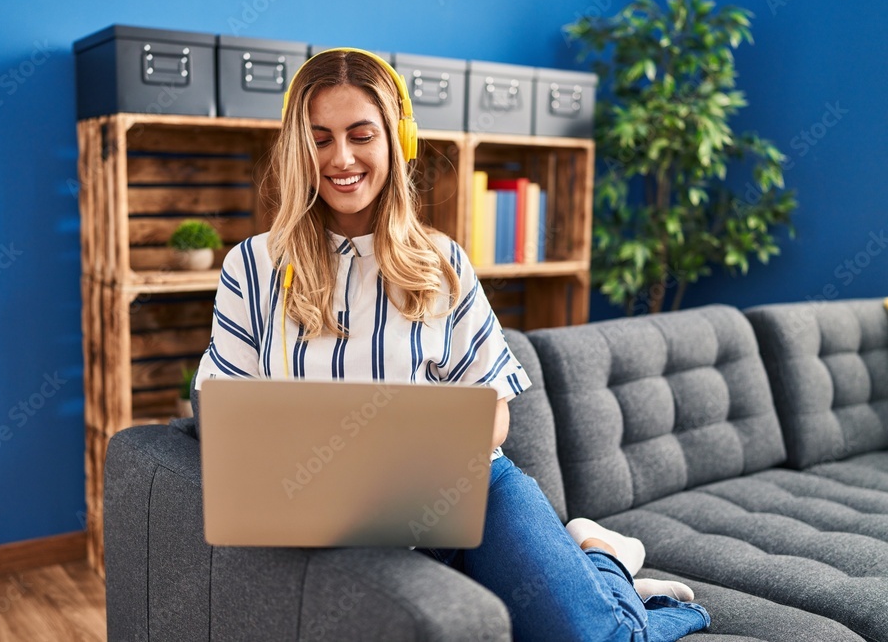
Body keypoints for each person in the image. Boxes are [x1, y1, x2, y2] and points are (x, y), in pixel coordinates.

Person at [194, 48, 710, 641]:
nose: (341, 159)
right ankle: (599, 563)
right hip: (334, 524)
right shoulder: (254, 268)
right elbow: (222, 410)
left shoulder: (441, 264)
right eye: (320, 139)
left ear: (397, 141)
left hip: (469, 491)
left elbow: (493, 408)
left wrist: (426, 466)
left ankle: (600, 557)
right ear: (295, 148)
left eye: (361, 135)